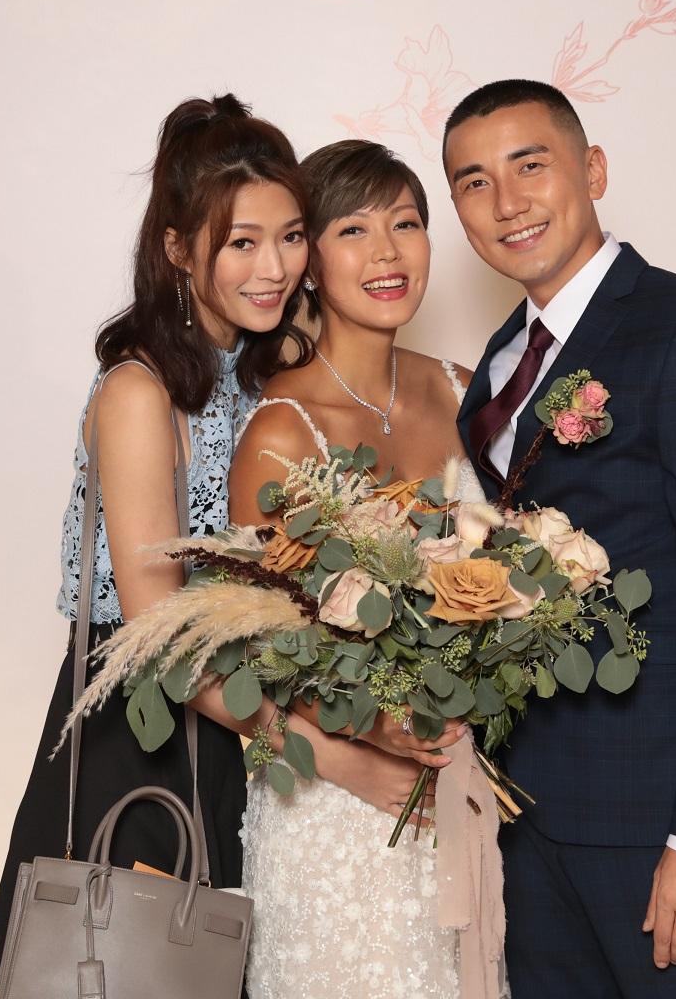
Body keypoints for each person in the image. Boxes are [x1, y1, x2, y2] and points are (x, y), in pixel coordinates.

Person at [443, 80, 676, 998]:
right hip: (531, 824)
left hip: (664, 826)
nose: (507, 202)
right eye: (475, 183)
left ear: (593, 170)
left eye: (531, 166)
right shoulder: (500, 360)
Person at [0, 94, 312, 997]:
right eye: (241, 242)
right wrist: (316, 741)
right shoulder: (140, 391)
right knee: (115, 972)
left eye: (290, 237)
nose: (274, 267)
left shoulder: (267, 380)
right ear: (177, 249)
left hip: (234, 724)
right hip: (141, 733)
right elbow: (157, 632)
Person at [226, 139, 489, 999]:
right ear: (309, 261)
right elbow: (256, 648)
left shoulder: (467, 391)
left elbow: (516, 570)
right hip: (336, 812)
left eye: (406, 224)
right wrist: (376, 727)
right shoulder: (282, 430)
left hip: (462, 785)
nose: (387, 253)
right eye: (353, 229)